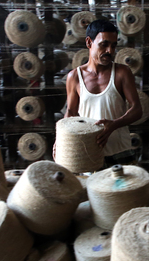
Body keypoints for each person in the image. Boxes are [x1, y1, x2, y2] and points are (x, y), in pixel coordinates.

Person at [58, 19, 142, 168]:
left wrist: (114, 125)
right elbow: (70, 112)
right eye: (104, 44)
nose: (110, 51)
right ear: (89, 42)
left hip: (120, 149)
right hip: (89, 150)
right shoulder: (75, 77)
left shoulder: (122, 73)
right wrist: (61, 140)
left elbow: (137, 109)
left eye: (113, 45)